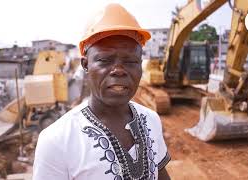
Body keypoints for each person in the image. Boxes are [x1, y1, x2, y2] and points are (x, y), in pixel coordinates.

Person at [33, 3, 171, 180]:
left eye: (131, 61)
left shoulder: (151, 120)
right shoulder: (55, 141)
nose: (119, 70)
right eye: (105, 60)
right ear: (86, 65)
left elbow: (160, 174)